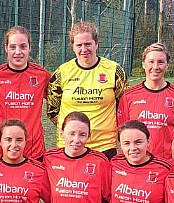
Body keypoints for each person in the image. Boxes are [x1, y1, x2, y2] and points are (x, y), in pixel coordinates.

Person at [47, 21, 128, 160]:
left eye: (88, 44)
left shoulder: (114, 71)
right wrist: (73, 130)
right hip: (70, 146)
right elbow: (52, 110)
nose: (84, 49)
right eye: (79, 45)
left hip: (104, 145)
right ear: (72, 46)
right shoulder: (62, 73)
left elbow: (124, 107)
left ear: (96, 44)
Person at [44, 111, 112, 203]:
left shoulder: (100, 162)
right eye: (71, 133)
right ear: (62, 133)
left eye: (82, 134)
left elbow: (109, 198)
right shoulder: (49, 159)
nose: (76, 139)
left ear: (89, 135)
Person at [0, 26, 51, 160]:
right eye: (13, 47)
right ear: (6, 48)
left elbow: (56, 99)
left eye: (23, 47)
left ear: (29, 48)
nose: (18, 52)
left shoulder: (42, 75)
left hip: (33, 150)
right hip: (1, 149)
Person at [107, 120, 171, 203]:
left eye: (138, 142)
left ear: (148, 141)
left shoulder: (164, 169)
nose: (133, 148)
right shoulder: (113, 164)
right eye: (126, 143)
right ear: (120, 145)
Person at [117, 42, 174, 160]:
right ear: (143, 64)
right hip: (136, 163)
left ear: (167, 65)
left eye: (160, 62)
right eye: (151, 62)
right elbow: (122, 133)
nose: (155, 67)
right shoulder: (129, 96)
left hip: (165, 164)